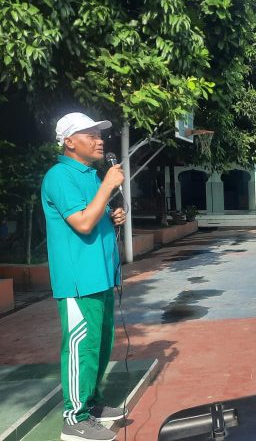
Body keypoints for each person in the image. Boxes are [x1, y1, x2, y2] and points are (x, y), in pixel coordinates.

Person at [42, 112, 127, 441]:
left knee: (101, 345)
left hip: (102, 275)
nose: (99, 140)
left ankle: (91, 404)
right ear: (69, 141)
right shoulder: (59, 176)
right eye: (90, 134)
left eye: (99, 134)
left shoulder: (92, 175)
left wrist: (114, 213)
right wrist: (107, 186)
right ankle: (73, 419)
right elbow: (82, 222)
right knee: (81, 347)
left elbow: (96, 214)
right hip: (79, 280)